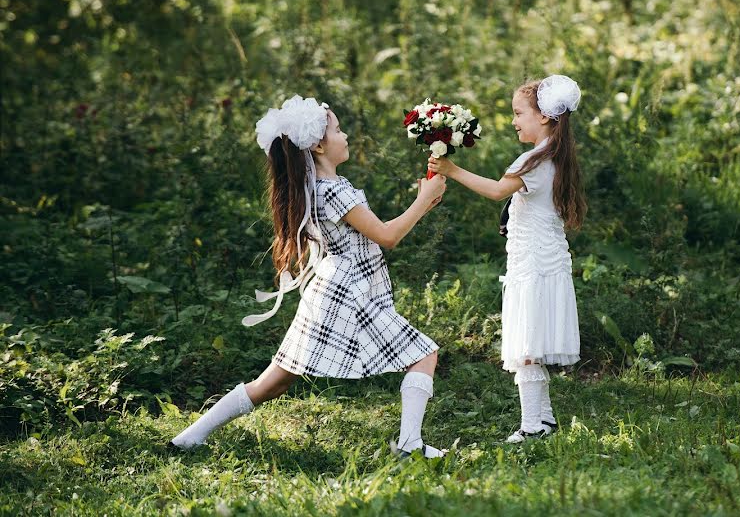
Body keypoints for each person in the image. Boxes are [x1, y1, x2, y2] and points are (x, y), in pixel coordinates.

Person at [170, 95, 448, 458]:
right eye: (337, 129)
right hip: (349, 295)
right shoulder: (332, 190)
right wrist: (423, 200)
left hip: (337, 291)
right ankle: (410, 446)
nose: (345, 135)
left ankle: (189, 437)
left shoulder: (323, 187)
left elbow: (376, 232)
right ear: (318, 144)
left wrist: (424, 200)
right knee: (423, 354)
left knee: (273, 383)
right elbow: (388, 236)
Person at [428, 75, 586, 443]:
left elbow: (498, 191)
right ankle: (543, 421)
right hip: (545, 261)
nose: (514, 121)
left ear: (544, 117)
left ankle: (532, 426)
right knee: (533, 344)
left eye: (518, 113)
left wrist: (451, 170)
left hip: (534, 264)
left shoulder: (533, 159)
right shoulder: (553, 156)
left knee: (528, 347)